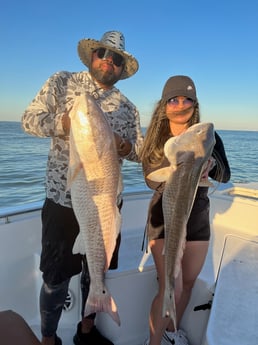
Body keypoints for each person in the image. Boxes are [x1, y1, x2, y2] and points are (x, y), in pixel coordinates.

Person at [21, 31, 143, 345]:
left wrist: (123, 145)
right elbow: (29, 120)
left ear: (122, 68)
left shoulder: (128, 108)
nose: (109, 62)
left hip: (106, 204)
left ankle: (86, 331)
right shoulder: (62, 82)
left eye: (117, 60)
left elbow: (139, 153)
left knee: (96, 273)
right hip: (63, 201)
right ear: (92, 55)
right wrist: (65, 123)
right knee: (56, 278)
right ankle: (48, 338)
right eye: (104, 53)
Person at [140, 75, 231, 345]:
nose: (180, 105)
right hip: (165, 216)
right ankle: (153, 342)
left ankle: (171, 334)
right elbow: (149, 178)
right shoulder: (157, 139)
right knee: (171, 287)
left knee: (189, 283)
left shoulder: (209, 136)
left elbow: (225, 176)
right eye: (173, 99)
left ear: (195, 103)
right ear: (164, 104)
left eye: (187, 99)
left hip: (198, 215)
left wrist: (211, 164)